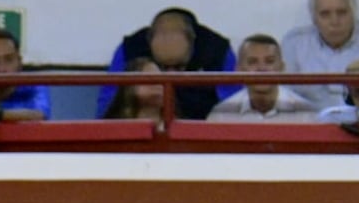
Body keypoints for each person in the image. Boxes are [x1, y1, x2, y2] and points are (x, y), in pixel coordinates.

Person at [95, 7, 238, 121]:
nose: (171, 76)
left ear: (193, 43)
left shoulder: (219, 51)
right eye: (162, 68)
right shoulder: (130, 49)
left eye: (179, 67)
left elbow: (232, 106)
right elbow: (108, 106)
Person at [206, 34, 319, 122]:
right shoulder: (222, 114)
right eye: (252, 62)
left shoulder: (306, 113)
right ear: (238, 70)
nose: (261, 68)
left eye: (269, 61)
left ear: (281, 67)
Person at [101, 57, 163, 121]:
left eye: (161, 80)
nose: (158, 85)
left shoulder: (172, 124)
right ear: (130, 86)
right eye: (150, 80)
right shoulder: (111, 125)